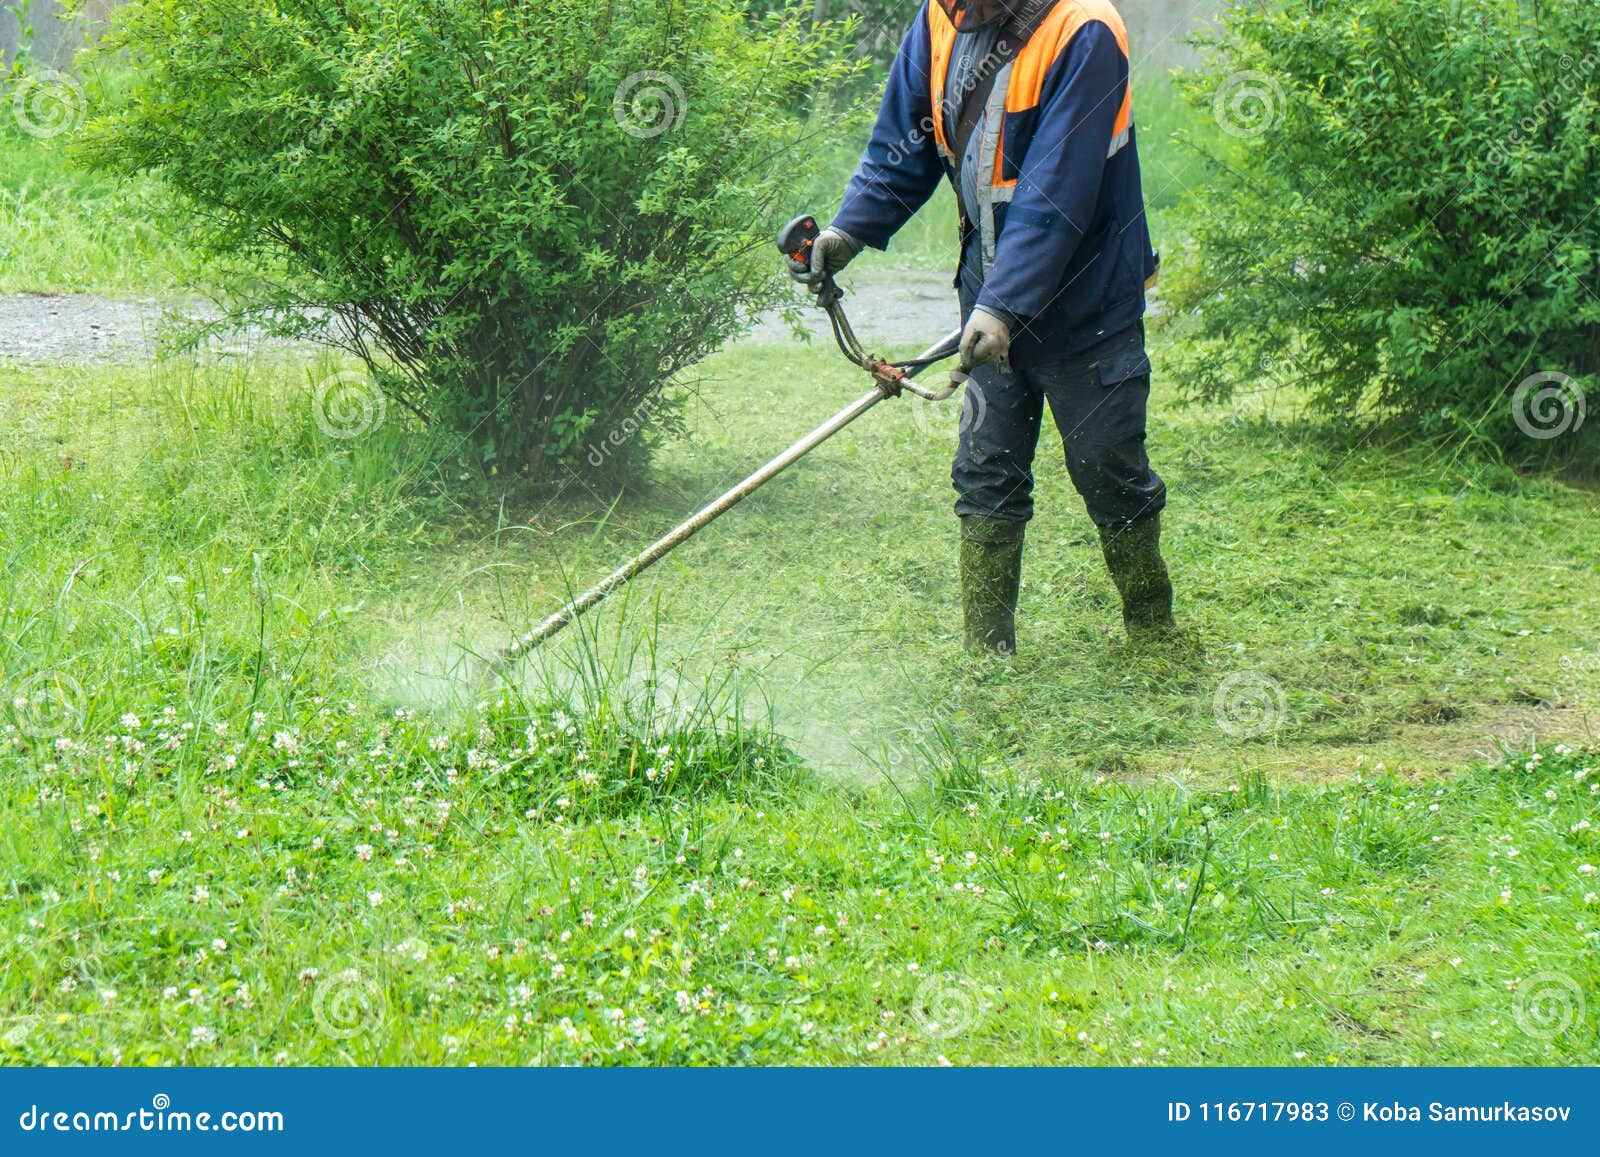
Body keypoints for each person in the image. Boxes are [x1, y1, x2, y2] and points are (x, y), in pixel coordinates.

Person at [796, 0, 1174, 654]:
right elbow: (900, 146)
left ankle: (1152, 630)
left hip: (1088, 307)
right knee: (987, 471)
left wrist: (1003, 306)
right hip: (989, 296)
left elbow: (1057, 192)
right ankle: (987, 653)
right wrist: (848, 230)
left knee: (1109, 469)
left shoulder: (1085, 31)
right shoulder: (939, 19)